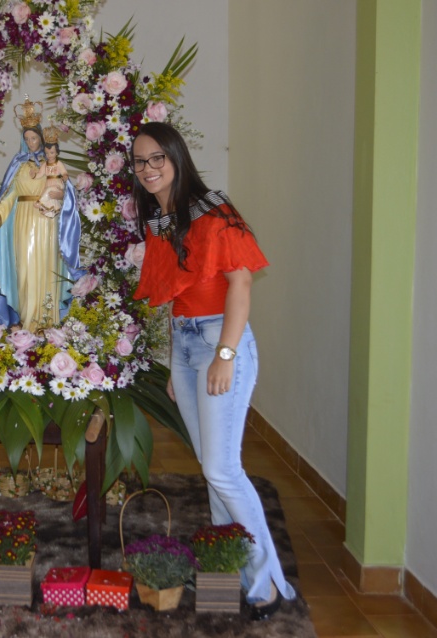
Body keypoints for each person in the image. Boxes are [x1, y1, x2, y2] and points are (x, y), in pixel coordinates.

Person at [130, 121, 295, 620]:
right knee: (212, 472)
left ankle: (265, 583)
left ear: (177, 157)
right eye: (140, 162)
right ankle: (231, 569)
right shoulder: (161, 220)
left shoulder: (213, 210)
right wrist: (174, 366)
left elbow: (240, 287)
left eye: (158, 157)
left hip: (221, 342)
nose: (148, 169)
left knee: (223, 470)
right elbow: (175, 297)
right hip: (185, 348)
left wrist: (224, 355)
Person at [0, 99, 82, 333]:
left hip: (46, 221)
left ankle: (46, 323)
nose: (31, 143)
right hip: (21, 222)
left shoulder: (53, 163)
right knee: (24, 271)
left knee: (47, 268)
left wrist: (60, 193)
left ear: (41, 138)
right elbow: (9, 195)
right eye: (27, 139)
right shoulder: (18, 166)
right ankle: (25, 321)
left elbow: (65, 191)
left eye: (34, 138)